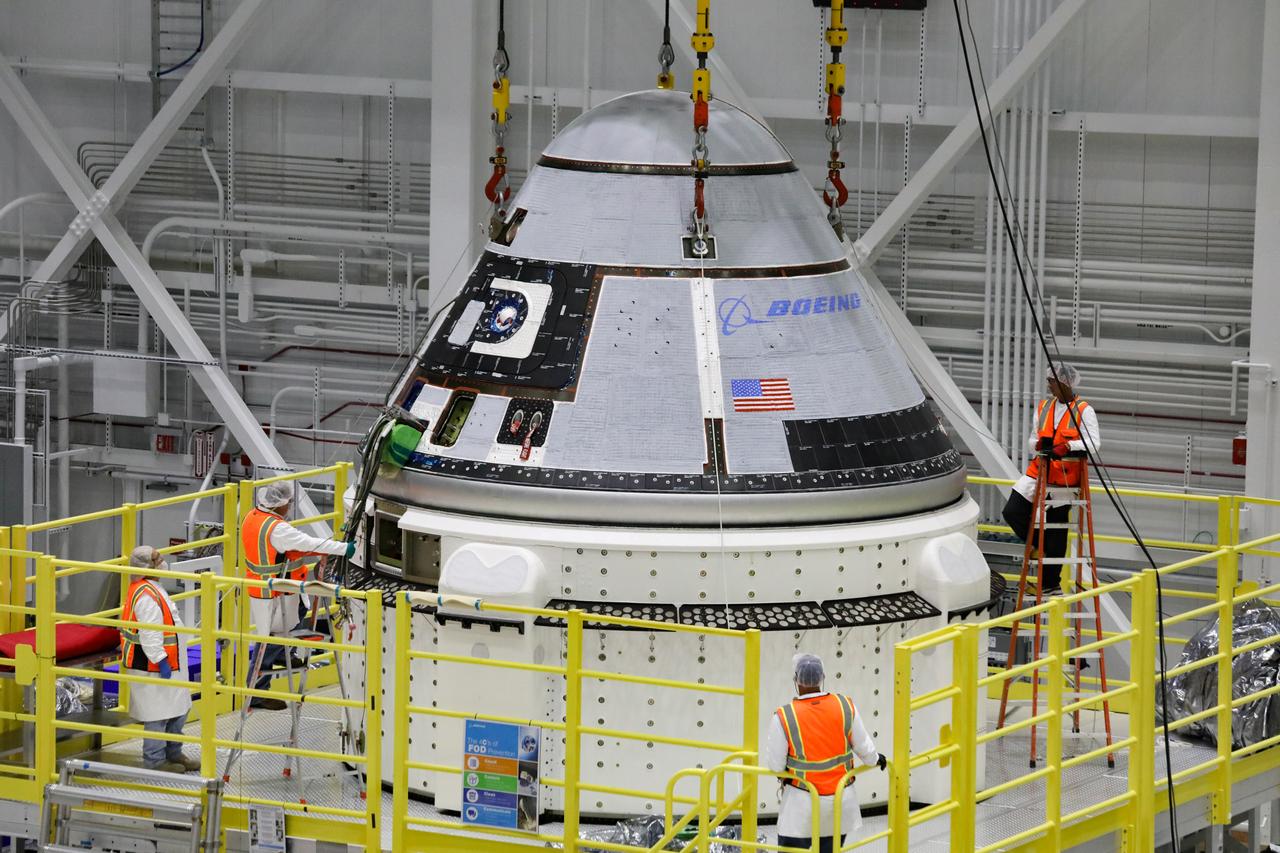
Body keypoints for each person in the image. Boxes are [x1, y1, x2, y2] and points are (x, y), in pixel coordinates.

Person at [241, 481, 354, 710]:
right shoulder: (277, 529)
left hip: (267, 588)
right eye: (289, 502)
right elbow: (303, 542)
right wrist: (343, 548)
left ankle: (285, 654)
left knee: (288, 623)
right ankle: (256, 692)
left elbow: (289, 548)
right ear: (280, 504)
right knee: (271, 639)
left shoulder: (253, 517)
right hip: (273, 591)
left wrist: (319, 550)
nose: (290, 507)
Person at [766, 654, 885, 852]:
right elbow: (865, 748)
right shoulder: (845, 705)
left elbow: (775, 766)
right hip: (839, 800)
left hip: (801, 804)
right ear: (823, 678)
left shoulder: (785, 716)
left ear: (796, 680)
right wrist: (876, 760)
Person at [1002, 363, 1100, 596]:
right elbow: (1032, 438)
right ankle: (1038, 546)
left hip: (1065, 477)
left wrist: (1067, 446)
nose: (1049, 385)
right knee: (1013, 510)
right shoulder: (1045, 407)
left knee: (1057, 526)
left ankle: (1049, 584)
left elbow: (1093, 443)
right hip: (1040, 470)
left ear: (1065, 382)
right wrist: (1038, 445)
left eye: (1052, 381)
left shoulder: (1084, 410)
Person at [120, 545, 200, 773]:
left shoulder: (153, 587)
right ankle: (155, 761)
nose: (163, 560)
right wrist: (162, 661)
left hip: (171, 664)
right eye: (157, 559)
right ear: (147, 567)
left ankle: (174, 754)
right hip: (154, 665)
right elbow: (150, 633)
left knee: (178, 709)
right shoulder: (145, 595)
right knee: (157, 714)